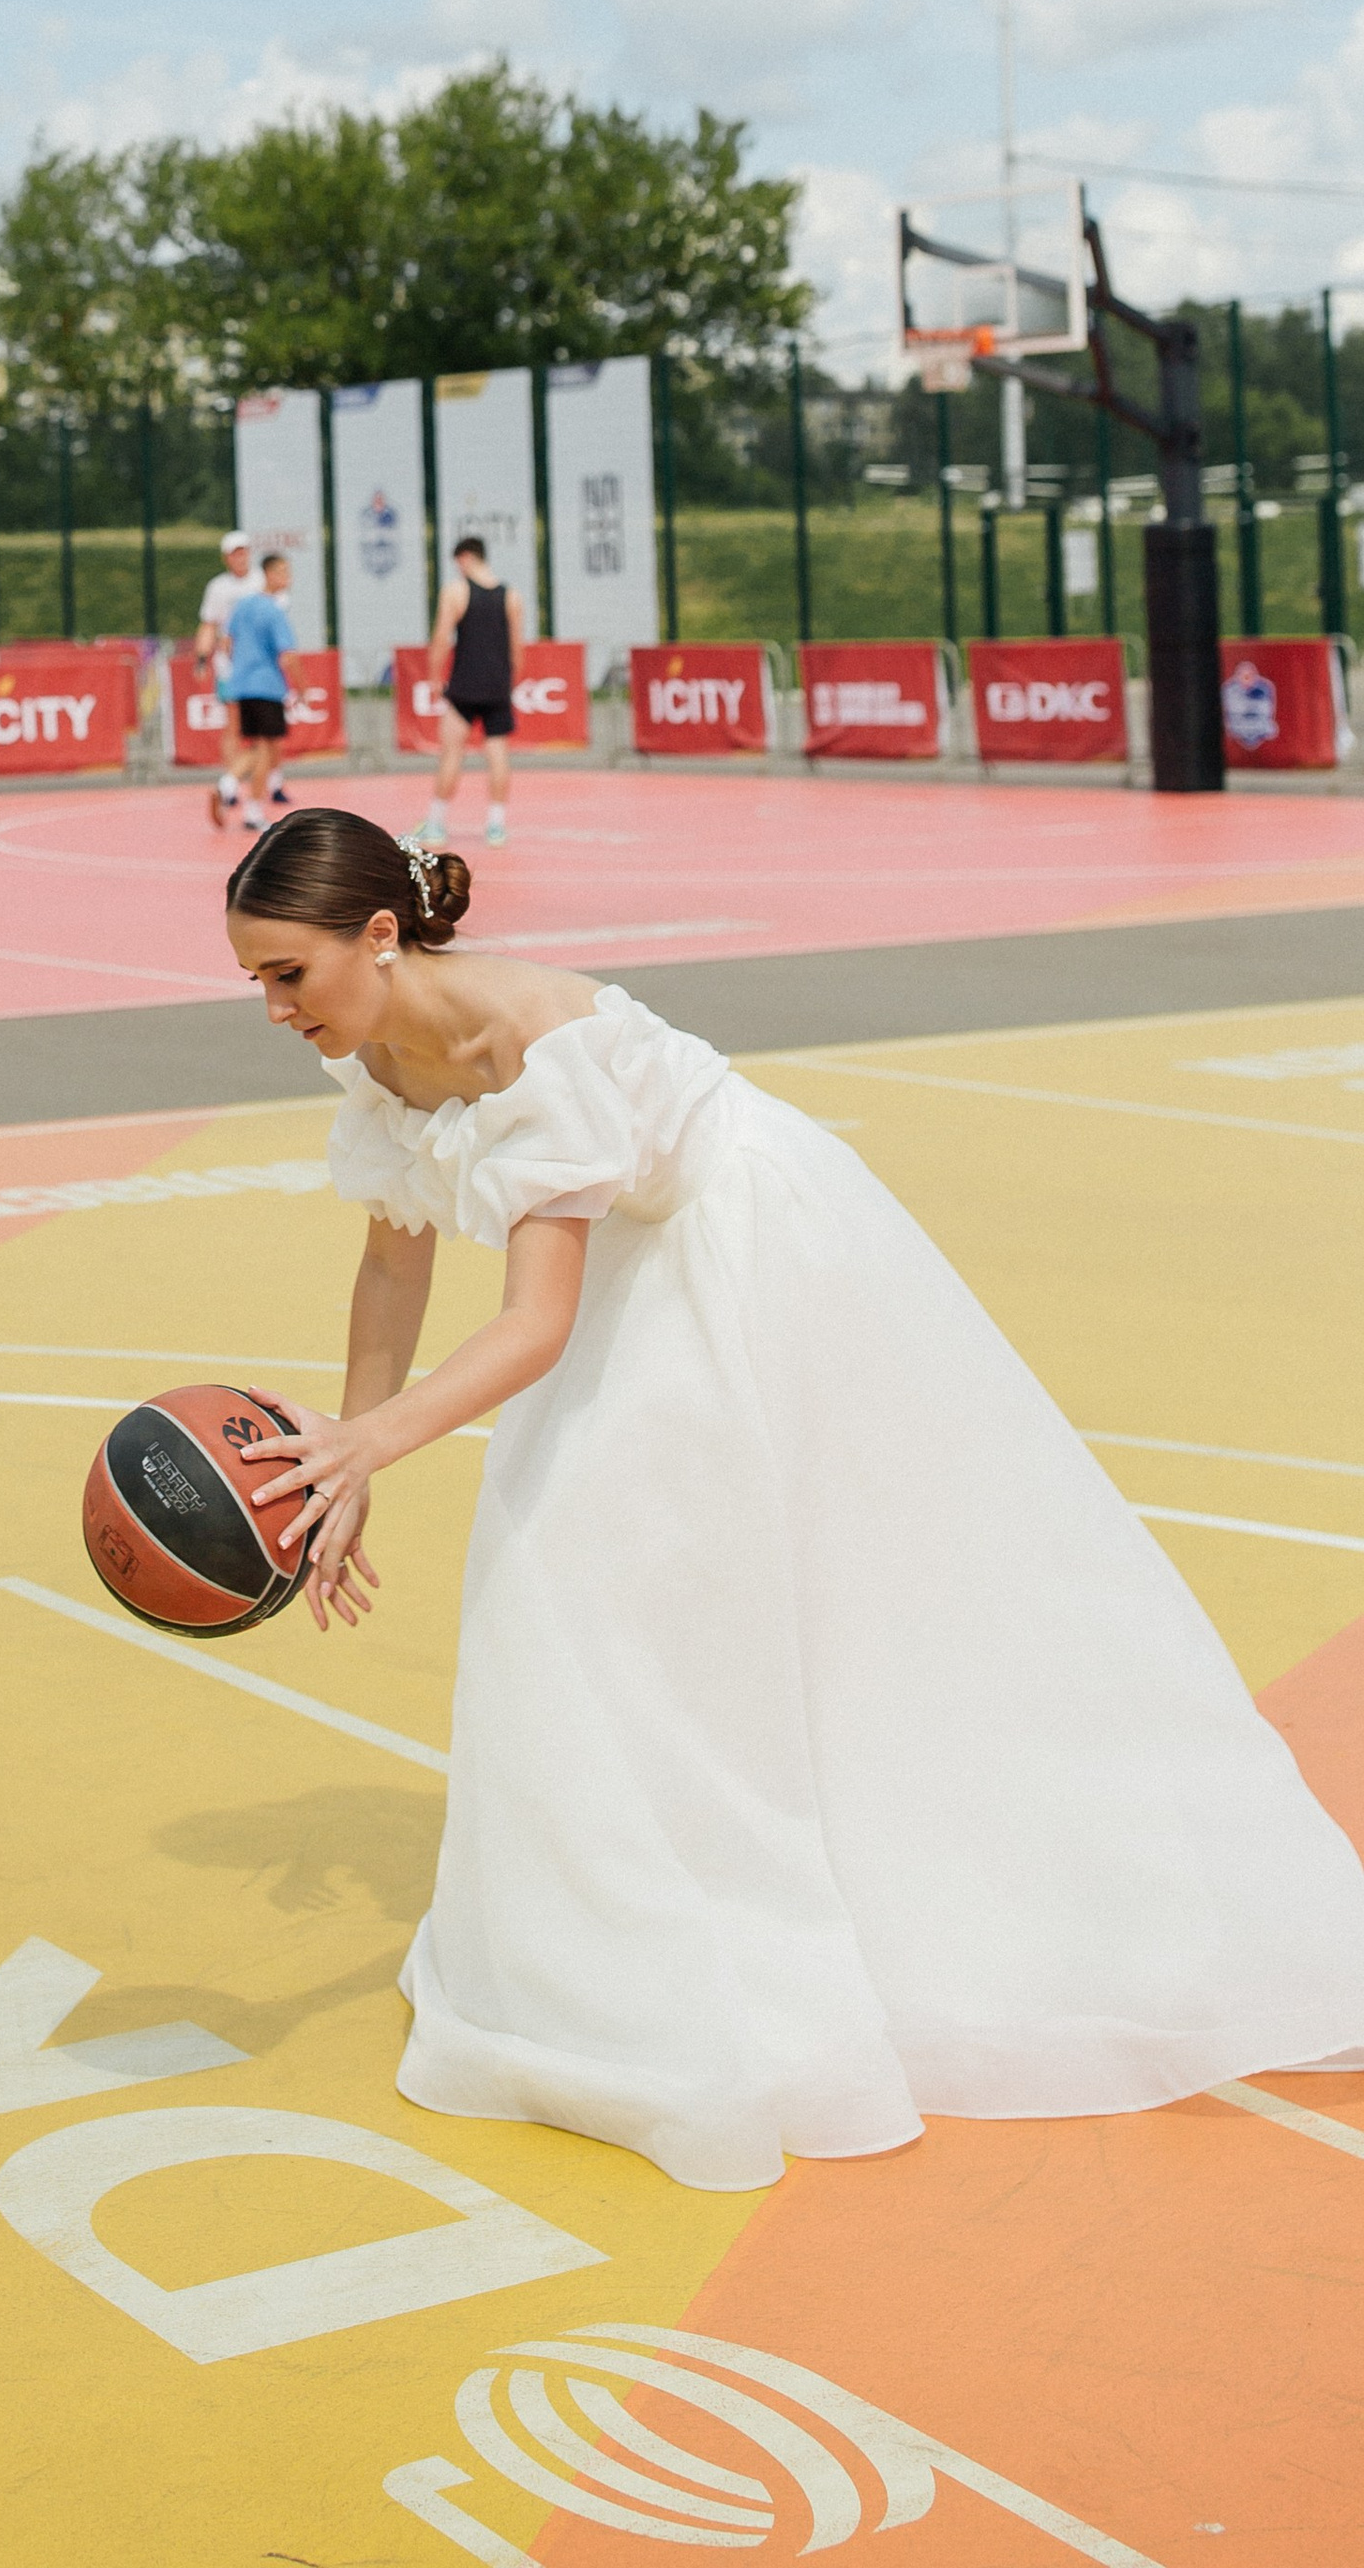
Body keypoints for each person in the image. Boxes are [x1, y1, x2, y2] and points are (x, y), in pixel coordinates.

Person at [218, 805, 1364, 2196]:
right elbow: (395, 1262)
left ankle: (797, 1927)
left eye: (287, 973)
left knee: (722, 1587)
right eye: (257, 981)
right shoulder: (380, 1048)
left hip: (755, 1250)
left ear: (381, 936)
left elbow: (533, 1326)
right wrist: (344, 1435)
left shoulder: (526, 1042)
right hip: (651, 1275)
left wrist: (373, 1447)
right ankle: (631, 1942)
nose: (272, 1007)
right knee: (578, 1591)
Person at [404, 533, 519, 852]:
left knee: (451, 753)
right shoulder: (511, 595)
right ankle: (496, 825)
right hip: (497, 684)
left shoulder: (456, 591)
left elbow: (440, 639)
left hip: (465, 684)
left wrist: (433, 678)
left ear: (465, 558)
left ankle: (437, 823)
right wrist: (510, 681)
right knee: (498, 753)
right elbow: (516, 647)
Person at [217, 549, 299, 833]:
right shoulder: (273, 610)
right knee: (266, 751)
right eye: (284, 572)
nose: (288, 578)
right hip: (267, 685)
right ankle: (247, 805)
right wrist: (302, 687)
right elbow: (287, 655)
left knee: (257, 746)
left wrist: (240, 668)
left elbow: (227, 643)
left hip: (241, 685)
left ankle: (231, 786)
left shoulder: (242, 605)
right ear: (270, 574)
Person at [193, 529, 256, 829]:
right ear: (226, 557)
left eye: (243, 551)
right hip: (231, 668)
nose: (240, 556)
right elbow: (209, 624)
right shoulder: (218, 588)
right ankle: (232, 784)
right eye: (235, 552)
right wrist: (202, 657)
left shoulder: (260, 582)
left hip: (257, 667)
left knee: (259, 734)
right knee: (234, 725)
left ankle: (235, 784)